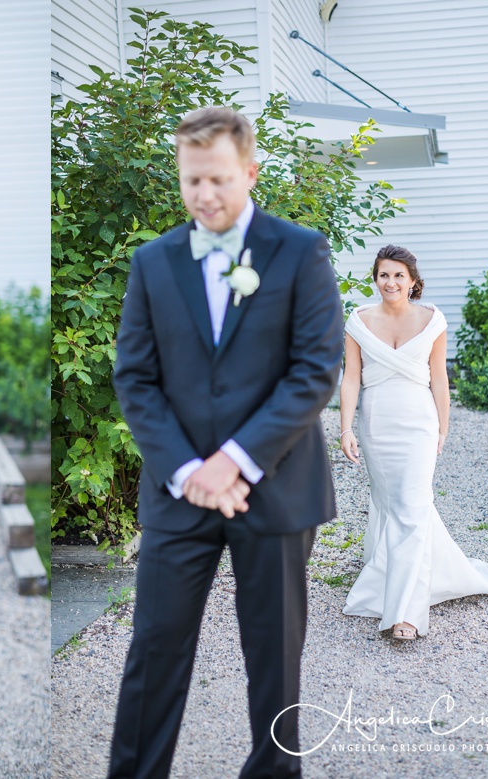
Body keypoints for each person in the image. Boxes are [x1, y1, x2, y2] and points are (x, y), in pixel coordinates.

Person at [108, 106, 344, 779]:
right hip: (179, 494)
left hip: (272, 490)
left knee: (273, 659)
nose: (203, 195)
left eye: (215, 179)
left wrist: (233, 461)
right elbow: (136, 376)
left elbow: (313, 367)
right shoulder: (152, 261)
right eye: (190, 181)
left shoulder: (298, 250)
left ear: (249, 170)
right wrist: (188, 469)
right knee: (151, 651)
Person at [339, 245, 488, 640]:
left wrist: (443, 427)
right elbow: (351, 377)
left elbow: (439, 378)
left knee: (412, 507)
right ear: (375, 278)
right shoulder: (357, 322)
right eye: (384, 275)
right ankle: (400, 570)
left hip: (419, 425)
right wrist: (346, 428)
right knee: (392, 506)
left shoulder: (432, 321)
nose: (391, 282)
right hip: (375, 426)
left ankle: (404, 615)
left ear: (413, 282)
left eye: (399, 276)